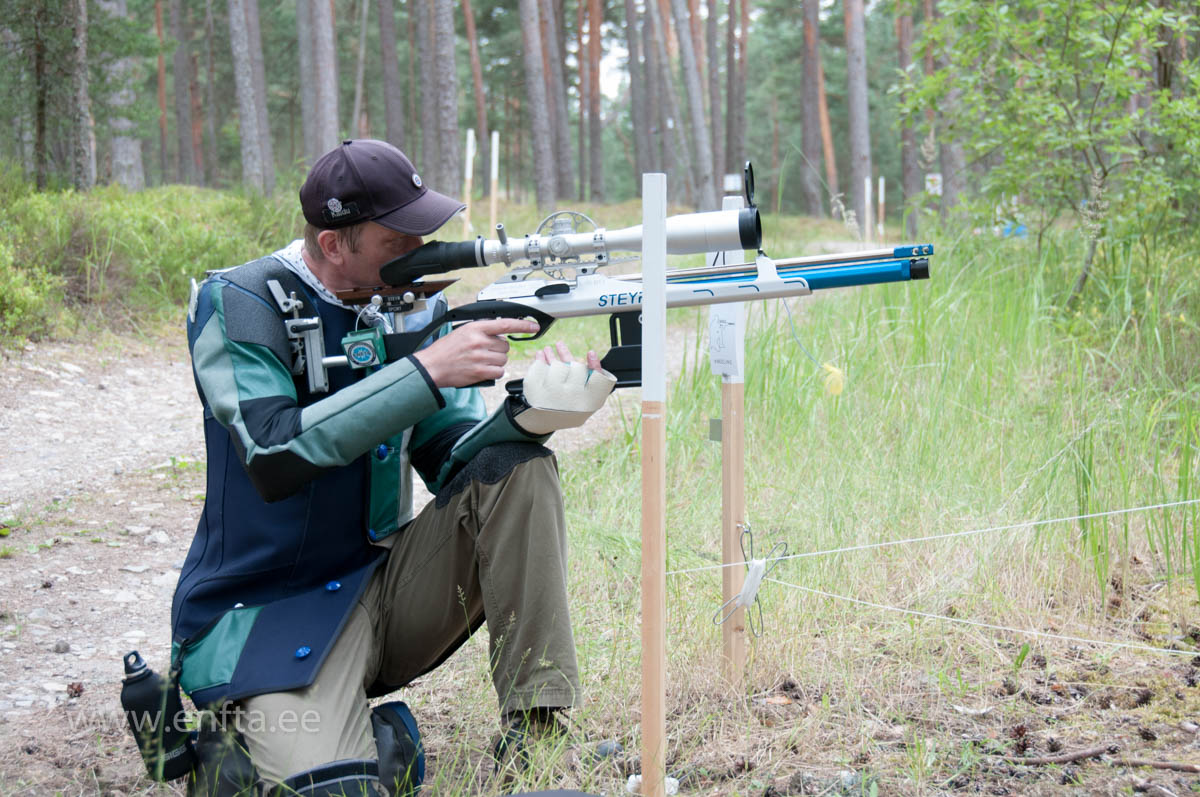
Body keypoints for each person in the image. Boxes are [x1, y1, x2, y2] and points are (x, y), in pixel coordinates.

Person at [171, 139, 614, 796]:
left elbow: (455, 460)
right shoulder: (239, 302)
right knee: (330, 790)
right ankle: (266, 734)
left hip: (378, 591)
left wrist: (532, 415)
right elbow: (272, 454)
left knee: (518, 468)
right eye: (397, 240)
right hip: (261, 614)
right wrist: (427, 370)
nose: (421, 250)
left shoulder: (409, 308)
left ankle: (538, 742)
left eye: (424, 231)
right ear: (333, 245)